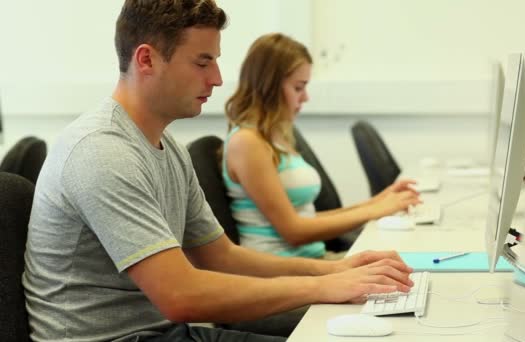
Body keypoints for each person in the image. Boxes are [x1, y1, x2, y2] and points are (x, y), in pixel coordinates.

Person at [22, 1, 415, 341]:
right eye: (202, 62)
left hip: (166, 333)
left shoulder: (167, 147)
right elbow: (180, 296)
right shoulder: (101, 151)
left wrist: (336, 268)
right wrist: (323, 284)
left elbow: (222, 256)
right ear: (146, 60)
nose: (217, 79)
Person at [222, 33, 421, 258]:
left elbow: (306, 219)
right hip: (285, 272)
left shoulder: (275, 137)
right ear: (269, 86)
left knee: (403, 265)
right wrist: (375, 210)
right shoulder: (247, 142)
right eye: (298, 87)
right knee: (399, 269)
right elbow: (294, 231)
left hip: (312, 260)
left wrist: (379, 201)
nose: (305, 97)